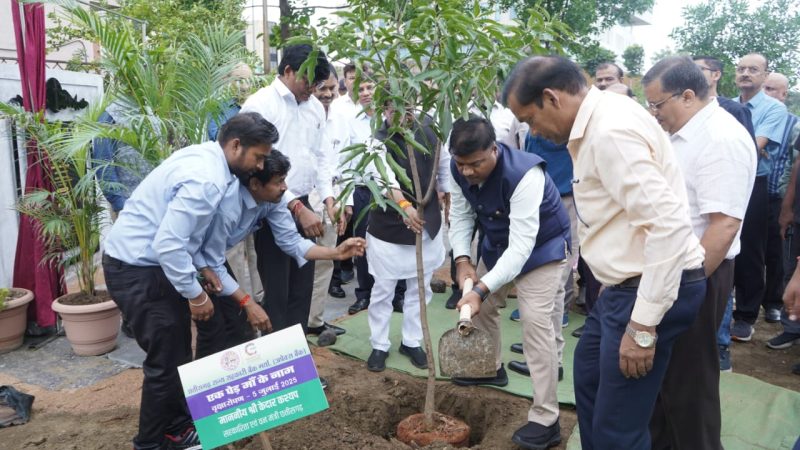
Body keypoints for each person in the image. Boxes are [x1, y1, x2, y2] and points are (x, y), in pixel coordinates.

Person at [503, 55, 706, 450]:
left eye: (530, 119)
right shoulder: (600, 119)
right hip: (623, 287)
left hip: (649, 288)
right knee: (590, 377)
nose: (534, 132)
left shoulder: (609, 131)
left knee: (619, 427)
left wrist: (643, 327)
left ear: (552, 98)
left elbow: (668, 225)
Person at [101, 112, 274, 450]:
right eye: (258, 157)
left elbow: (182, 233)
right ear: (236, 145)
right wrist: (196, 294)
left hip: (148, 265)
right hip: (138, 269)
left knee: (176, 353)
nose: (260, 166)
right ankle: (150, 443)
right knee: (166, 361)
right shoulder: (207, 180)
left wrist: (201, 266)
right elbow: (168, 244)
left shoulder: (207, 158)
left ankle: (178, 429)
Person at [642, 56, 756, 450]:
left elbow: (723, 226)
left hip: (700, 272)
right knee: (664, 374)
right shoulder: (682, 133)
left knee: (689, 379)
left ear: (688, 96)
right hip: (673, 270)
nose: (654, 113)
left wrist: (685, 286)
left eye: (657, 104)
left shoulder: (721, 139)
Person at [448, 116, 570, 449]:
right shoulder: (457, 169)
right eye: (461, 164)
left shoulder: (525, 174)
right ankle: (490, 368)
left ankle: (546, 419)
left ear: (494, 149)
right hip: (499, 243)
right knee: (484, 310)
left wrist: (480, 289)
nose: (467, 171)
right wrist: (462, 261)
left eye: (475, 164)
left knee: (536, 323)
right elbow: (460, 216)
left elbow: (521, 248)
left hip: (542, 248)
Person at [195, 150, 365, 358]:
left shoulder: (271, 201)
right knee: (212, 327)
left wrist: (336, 253)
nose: (285, 187)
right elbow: (210, 262)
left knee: (237, 325)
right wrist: (248, 302)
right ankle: (198, 378)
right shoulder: (228, 207)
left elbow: (291, 242)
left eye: (284, 180)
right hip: (186, 257)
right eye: (279, 182)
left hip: (210, 258)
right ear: (255, 184)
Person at [240, 44, 336, 333]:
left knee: (302, 289)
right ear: (289, 71)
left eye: (317, 83)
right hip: (270, 206)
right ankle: (277, 354)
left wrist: (328, 197)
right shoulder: (260, 105)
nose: (313, 89)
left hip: (305, 203)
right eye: (308, 81)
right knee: (277, 291)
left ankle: (298, 353)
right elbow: (256, 167)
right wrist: (296, 206)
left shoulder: (314, 107)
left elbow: (321, 155)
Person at [365, 106, 449, 372]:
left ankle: (411, 340)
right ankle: (379, 344)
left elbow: (443, 163)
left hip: (426, 219)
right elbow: (384, 177)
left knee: (420, 287)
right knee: (383, 289)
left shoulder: (430, 129)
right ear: (384, 109)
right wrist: (403, 205)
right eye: (395, 109)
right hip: (389, 225)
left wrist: (446, 193)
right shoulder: (378, 139)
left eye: (409, 108)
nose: (403, 115)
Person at [692, 55, 757, 373]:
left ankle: (721, 345)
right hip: (696, 221)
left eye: (699, 70)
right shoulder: (689, 115)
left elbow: (744, 158)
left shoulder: (731, 113)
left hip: (724, 207)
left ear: (716, 75)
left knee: (720, 280)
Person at [732, 53, 788, 341]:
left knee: (750, 251)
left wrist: (751, 147)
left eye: (753, 69)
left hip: (754, 184)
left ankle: (745, 315)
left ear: (765, 75)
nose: (745, 73)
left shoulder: (774, 109)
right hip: (723, 180)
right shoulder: (725, 105)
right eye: (741, 68)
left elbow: (755, 147)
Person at [343, 72, 407, 315]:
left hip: (394, 190)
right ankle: (365, 294)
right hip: (364, 190)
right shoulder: (349, 120)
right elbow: (345, 159)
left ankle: (398, 294)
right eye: (361, 89)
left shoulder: (391, 119)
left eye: (370, 87)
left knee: (398, 240)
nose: (366, 93)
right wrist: (346, 198)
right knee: (363, 243)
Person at [307, 65, 351, 336]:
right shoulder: (303, 115)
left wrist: (345, 203)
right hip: (305, 202)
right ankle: (295, 322)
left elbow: (347, 162)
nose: (327, 93)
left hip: (333, 202)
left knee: (326, 263)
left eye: (332, 88)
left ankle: (315, 320)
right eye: (322, 87)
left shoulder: (341, 118)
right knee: (301, 265)